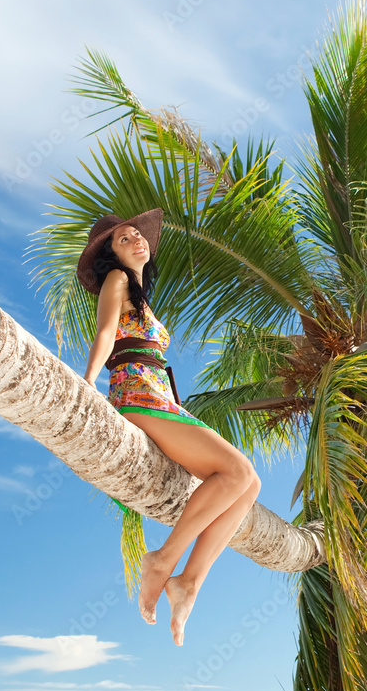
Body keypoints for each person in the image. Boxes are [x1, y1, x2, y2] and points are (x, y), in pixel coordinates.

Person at [77, 210, 261, 645]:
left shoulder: (141, 296)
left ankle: (189, 582)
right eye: (123, 239)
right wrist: (86, 384)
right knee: (235, 472)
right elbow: (106, 333)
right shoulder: (117, 282)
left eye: (137, 235)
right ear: (111, 254)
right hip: (136, 393)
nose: (136, 239)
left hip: (159, 397)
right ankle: (162, 561)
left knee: (248, 484)